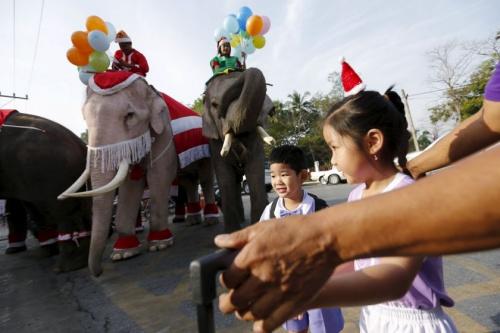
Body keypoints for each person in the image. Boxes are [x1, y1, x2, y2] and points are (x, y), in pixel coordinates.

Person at [215, 59, 500, 333]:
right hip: (374, 318)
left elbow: (394, 278)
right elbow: (350, 259)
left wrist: (309, 293)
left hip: (414, 323)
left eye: (335, 147)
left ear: (373, 141)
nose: (332, 159)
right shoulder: (356, 196)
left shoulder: (405, 192)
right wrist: (302, 275)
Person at [260, 145, 344, 333]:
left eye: (284, 174)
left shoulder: (319, 208)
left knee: (323, 327)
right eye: (273, 176)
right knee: (295, 328)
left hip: (319, 285)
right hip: (287, 286)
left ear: (303, 176)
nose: (277, 181)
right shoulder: (271, 211)